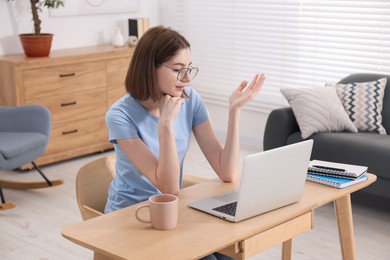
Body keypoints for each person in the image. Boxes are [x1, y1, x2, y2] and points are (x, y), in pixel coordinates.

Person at [104, 26, 265, 260]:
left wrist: (235, 110)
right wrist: (166, 125)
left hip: (172, 213)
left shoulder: (190, 100)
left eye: (189, 69)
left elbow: (227, 171)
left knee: (230, 254)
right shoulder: (120, 116)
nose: (187, 78)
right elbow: (168, 188)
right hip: (132, 217)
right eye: (178, 70)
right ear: (150, 68)